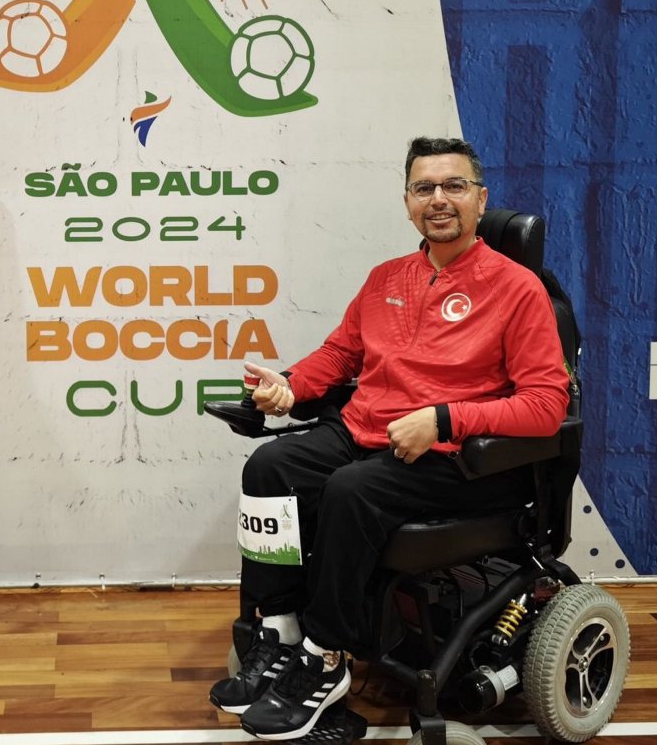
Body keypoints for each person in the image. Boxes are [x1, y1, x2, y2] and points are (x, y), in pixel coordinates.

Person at [209, 136, 570, 741]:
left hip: (460, 461)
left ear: (480, 201)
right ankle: (280, 631)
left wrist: (447, 419)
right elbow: (341, 353)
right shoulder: (386, 278)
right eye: (424, 187)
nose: (439, 199)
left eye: (454, 186)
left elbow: (546, 405)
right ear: (407, 202)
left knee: (353, 491)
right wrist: (291, 387)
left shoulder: (517, 288)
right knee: (272, 466)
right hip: (368, 431)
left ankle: (327, 659)